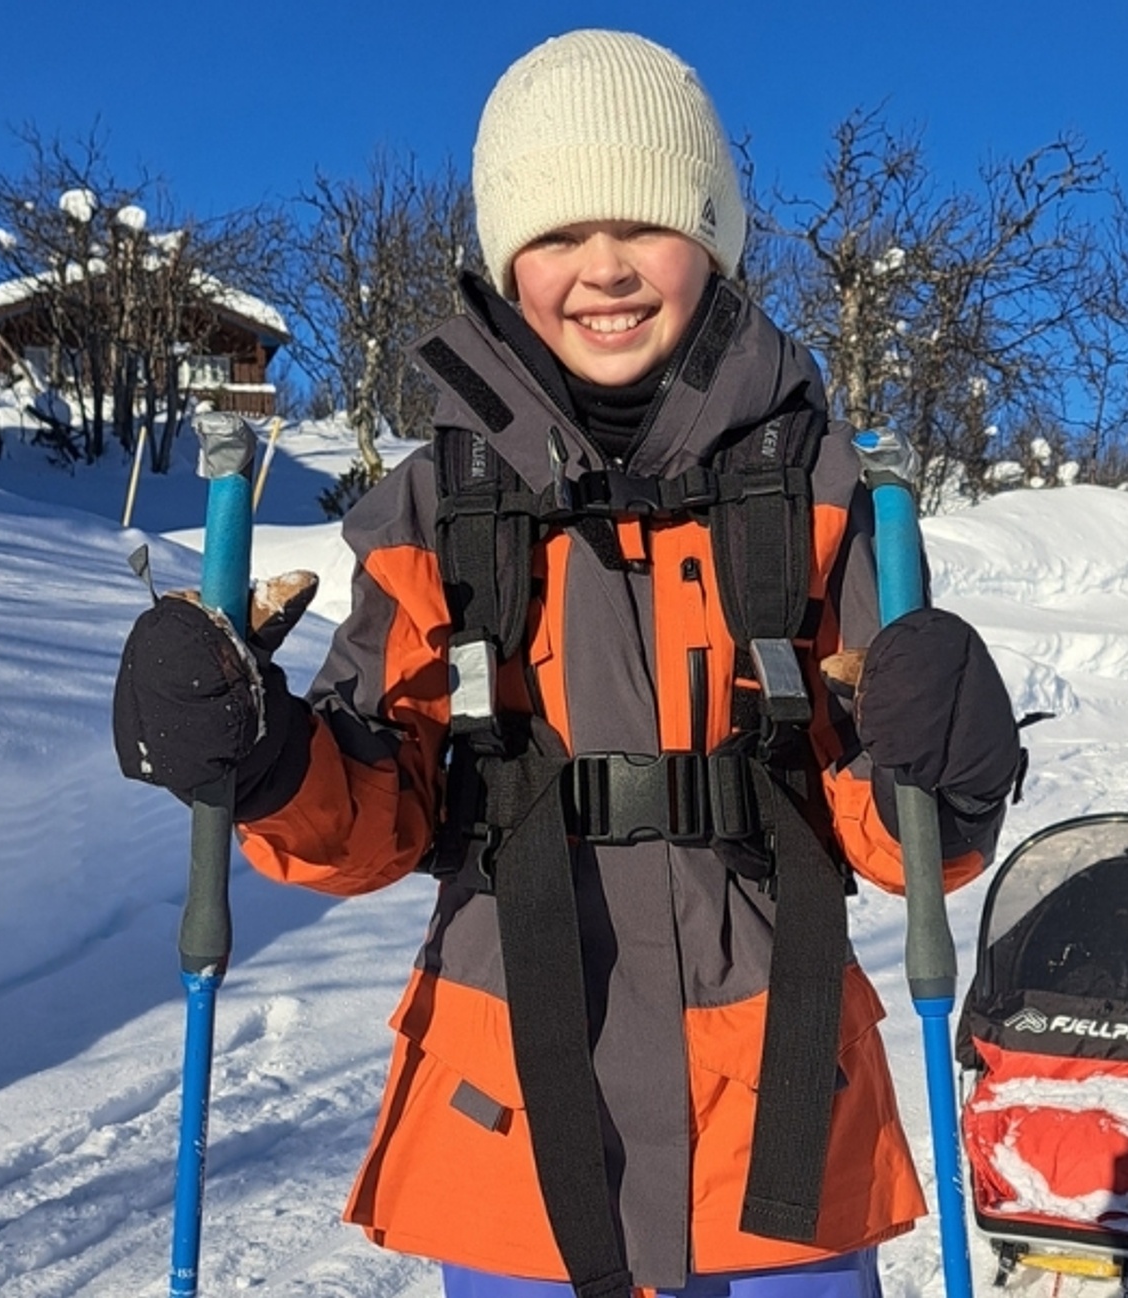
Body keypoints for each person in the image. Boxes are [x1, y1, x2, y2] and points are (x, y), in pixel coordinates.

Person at [113, 29, 1023, 1298]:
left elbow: (891, 836)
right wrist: (262, 757)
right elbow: (378, 813)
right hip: (512, 1107)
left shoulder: (818, 497)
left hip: (779, 1101)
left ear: (708, 236)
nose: (601, 268)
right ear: (504, 258)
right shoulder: (434, 512)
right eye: (553, 232)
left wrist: (952, 763)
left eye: (642, 224)